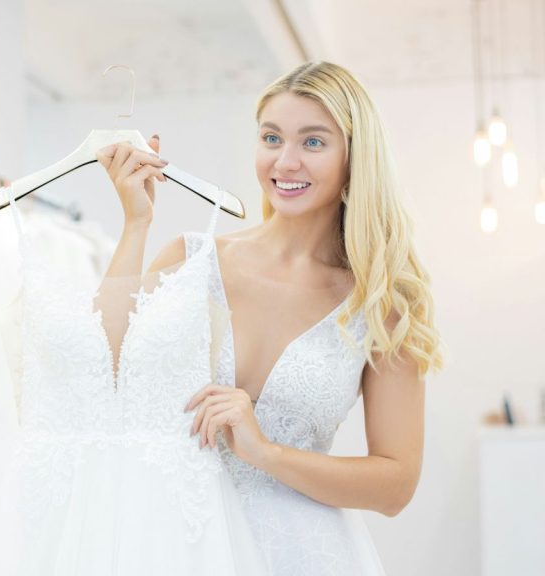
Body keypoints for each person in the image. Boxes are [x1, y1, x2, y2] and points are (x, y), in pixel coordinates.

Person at [97, 61, 443, 575]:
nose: (285, 161)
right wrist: (136, 224)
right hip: (178, 544)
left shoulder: (380, 303)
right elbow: (103, 372)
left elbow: (396, 485)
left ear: (355, 160)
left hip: (302, 555)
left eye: (313, 142)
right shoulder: (190, 260)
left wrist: (267, 452)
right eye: (272, 137)